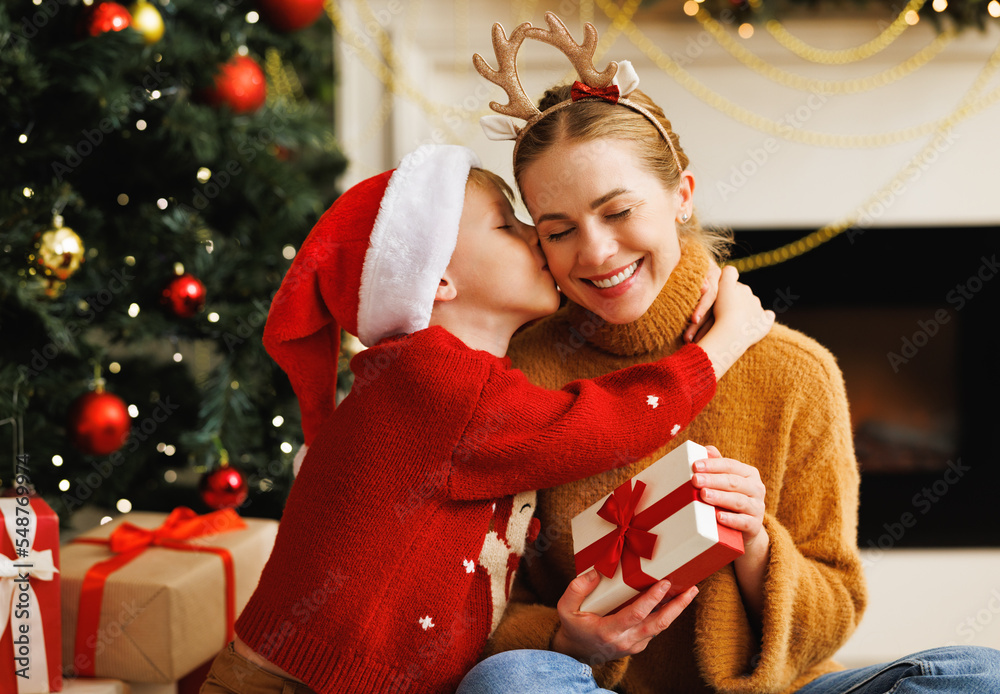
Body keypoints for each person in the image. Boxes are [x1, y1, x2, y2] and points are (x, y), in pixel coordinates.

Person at [461, 12, 1000, 694]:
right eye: (560, 229)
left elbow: (835, 610)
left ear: (681, 194)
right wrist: (565, 639)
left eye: (619, 212)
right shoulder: (522, 370)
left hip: (776, 688)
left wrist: (755, 544)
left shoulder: (792, 370)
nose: (595, 252)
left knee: (979, 677)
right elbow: (466, 596)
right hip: (593, 686)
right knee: (509, 683)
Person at [200, 144, 775, 694]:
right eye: (509, 225)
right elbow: (601, 425)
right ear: (439, 278)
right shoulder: (433, 379)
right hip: (300, 684)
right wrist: (721, 345)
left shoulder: (455, 378)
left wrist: (696, 275)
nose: (539, 240)